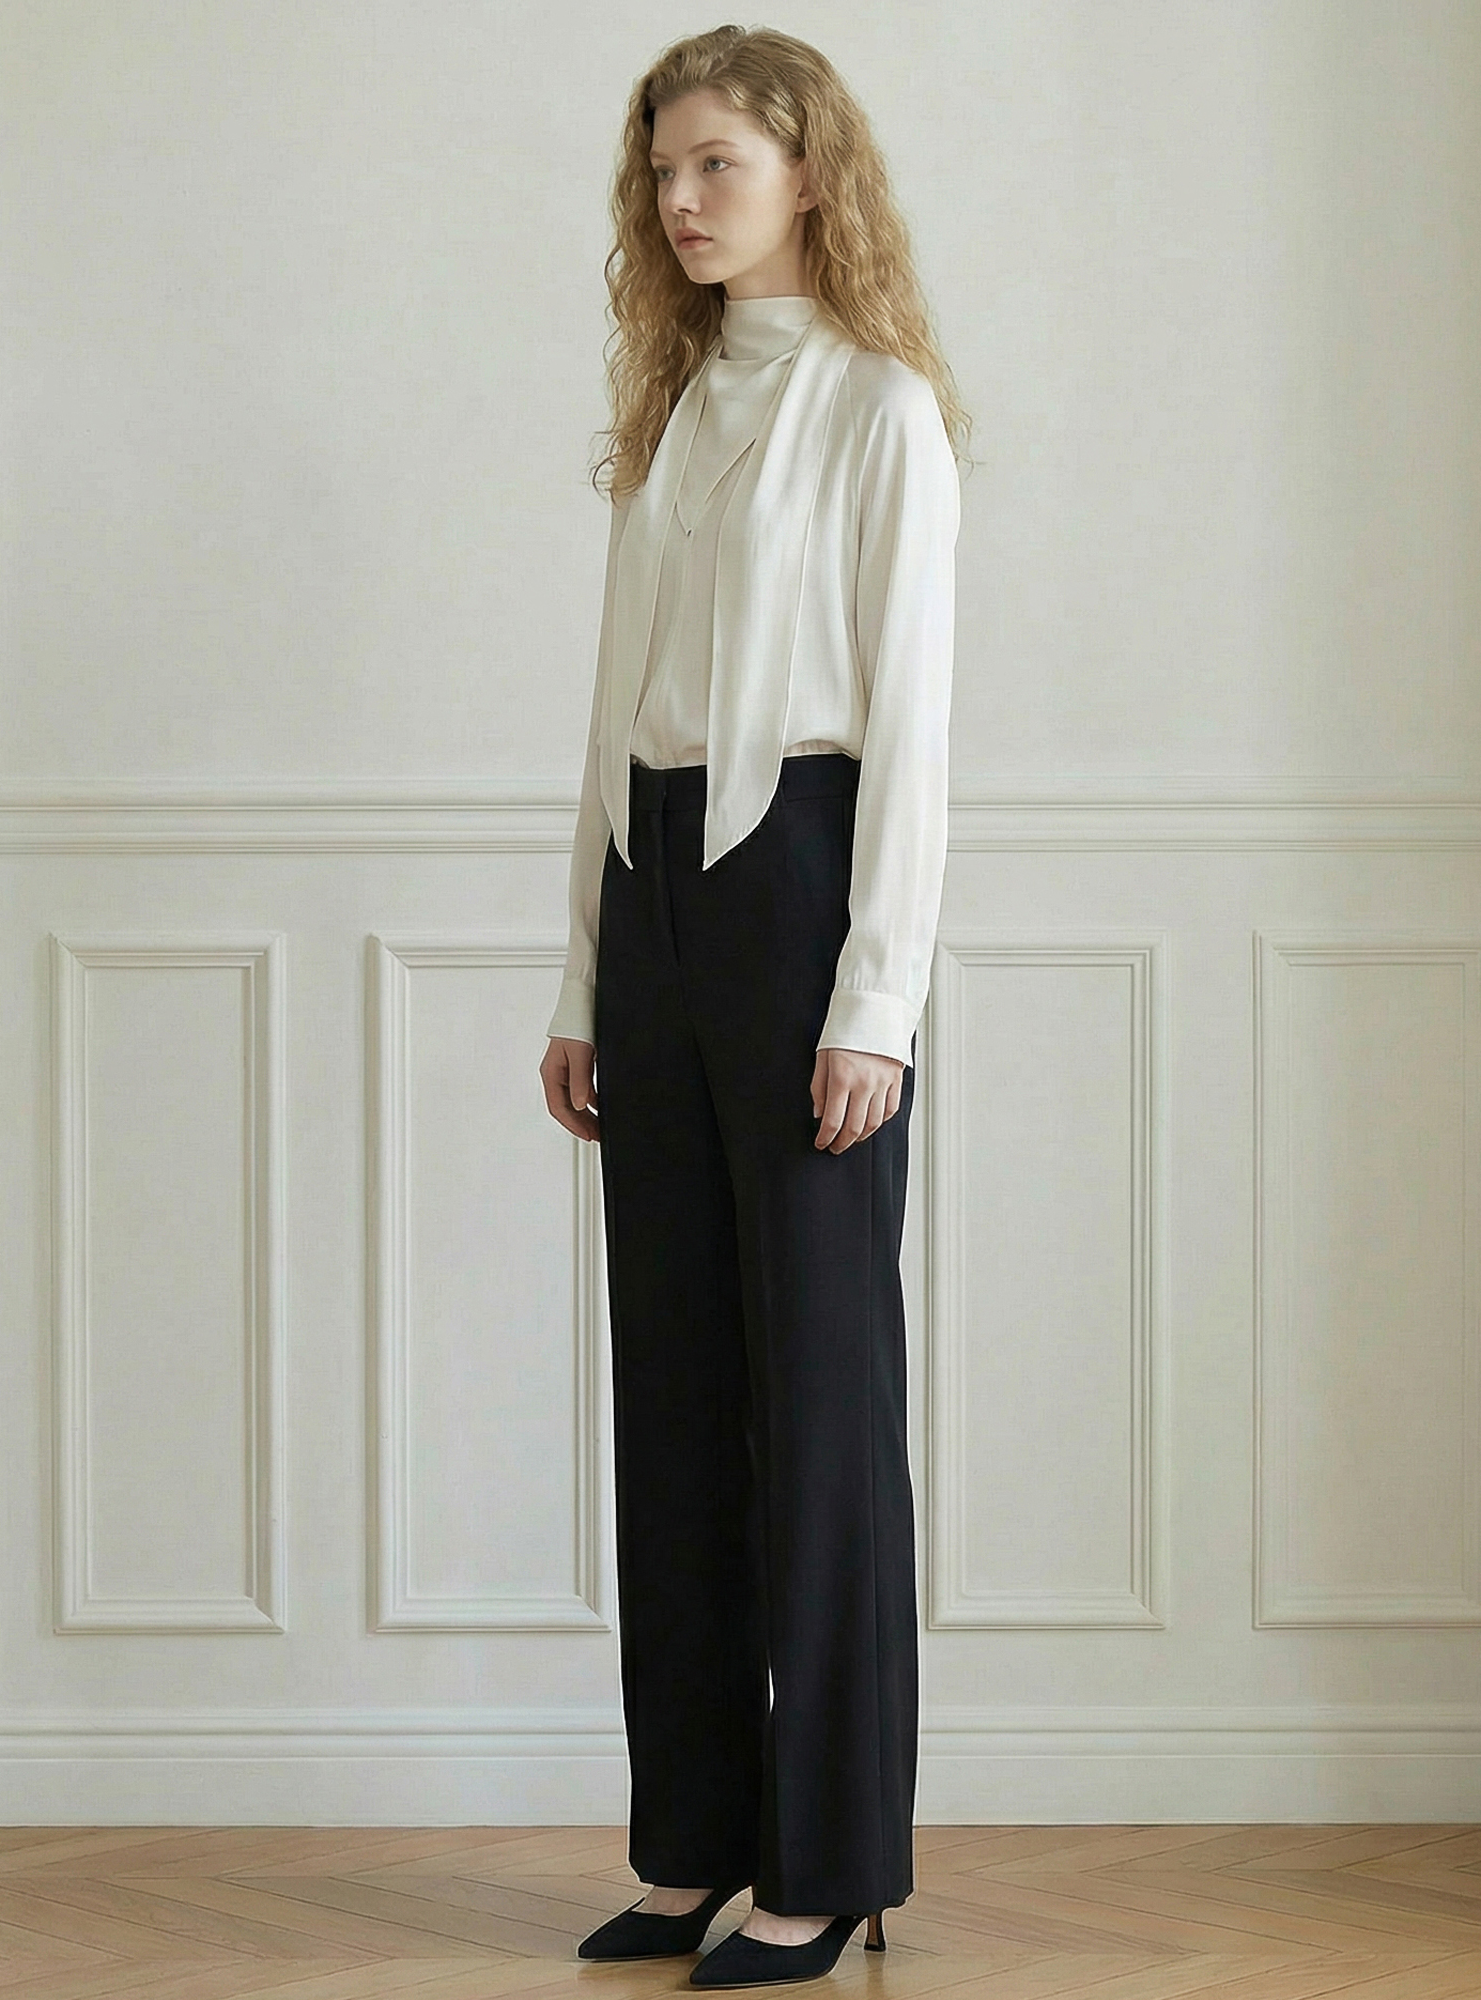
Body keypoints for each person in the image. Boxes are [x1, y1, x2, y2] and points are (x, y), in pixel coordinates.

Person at [538, 23, 967, 1991]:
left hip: (802, 895)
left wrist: (876, 1003)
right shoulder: (673, 410)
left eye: (716, 162)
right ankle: (697, 1838)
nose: (681, 199)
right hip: (654, 901)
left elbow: (914, 733)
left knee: (822, 1397)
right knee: (678, 1391)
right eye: (663, 171)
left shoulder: (881, 410)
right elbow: (611, 716)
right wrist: (583, 974)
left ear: (810, 173)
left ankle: (835, 1854)